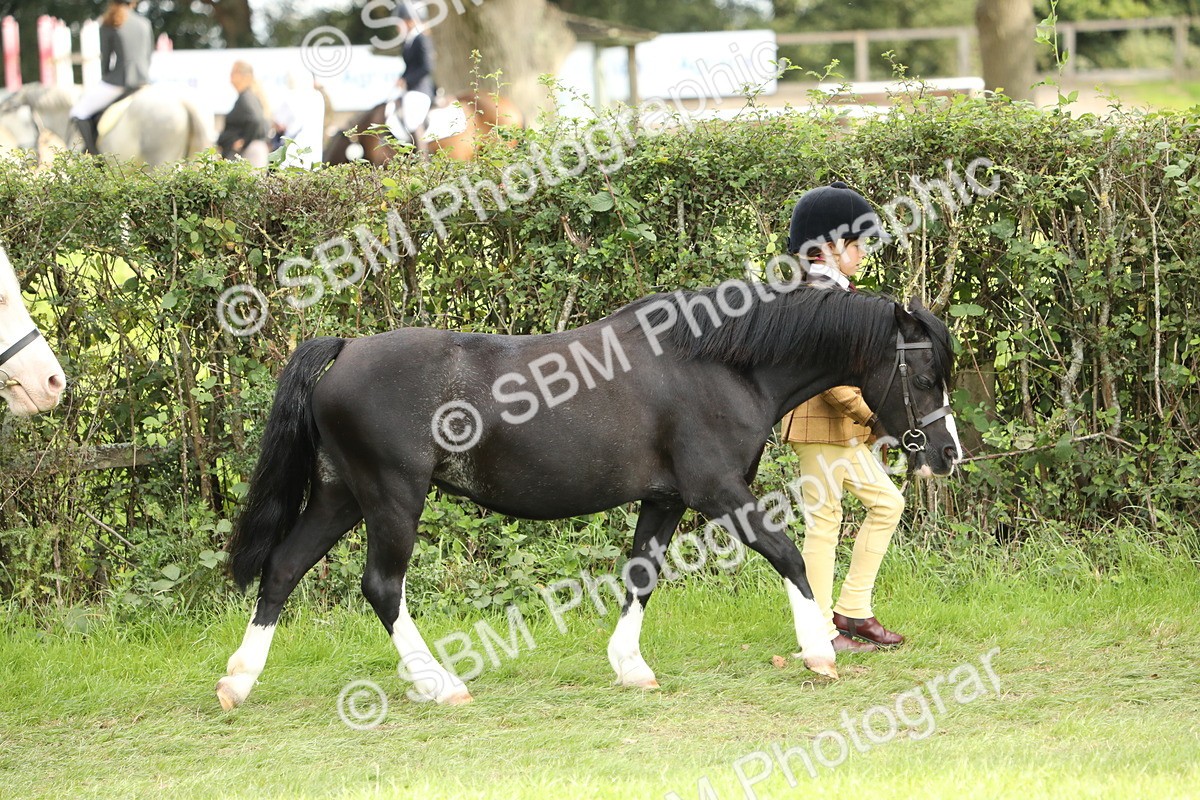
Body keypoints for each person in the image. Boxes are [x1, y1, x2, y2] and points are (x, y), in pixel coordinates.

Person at [778, 181, 907, 656]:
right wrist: (877, 417)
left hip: (844, 430)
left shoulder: (834, 291)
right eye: (855, 245)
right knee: (824, 521)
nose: (861, 254)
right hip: (817, 426)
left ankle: (852, 609)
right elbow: (829, 381)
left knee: (887, 504)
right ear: (829, 247)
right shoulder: (816, 294)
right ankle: (818, 631)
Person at [69, 0, 152, 155]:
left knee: (78, 111)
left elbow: (106, 60)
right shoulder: (144, 23)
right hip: (143, 81)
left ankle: (94, 156)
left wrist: (105, 78)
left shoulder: (110, 22)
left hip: (119, 81)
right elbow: (148, 56)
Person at [389, 3, 436, 153]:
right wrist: (402, 78)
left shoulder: (421, 38)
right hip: (410, 88)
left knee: (412, 118)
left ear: (410, 20)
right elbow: (411, 66)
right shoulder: (409, 40)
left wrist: (407, 80)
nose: (397, 26)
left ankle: (422, 159)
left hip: (420, 89)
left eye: (399, 22)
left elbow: (427, 67)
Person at [218, 61, 271, 166]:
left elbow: (255, 119)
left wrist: (244, 141)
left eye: (234, 72)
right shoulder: (248, 96)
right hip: (252, 152)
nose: (230, 76)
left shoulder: (247, 97)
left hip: (250, 154)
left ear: (244, 76)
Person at [272, 66, 325, 168]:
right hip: (314, 157)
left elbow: (279, 124)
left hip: (290, 158)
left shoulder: (289, 97)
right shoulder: (318, 96)